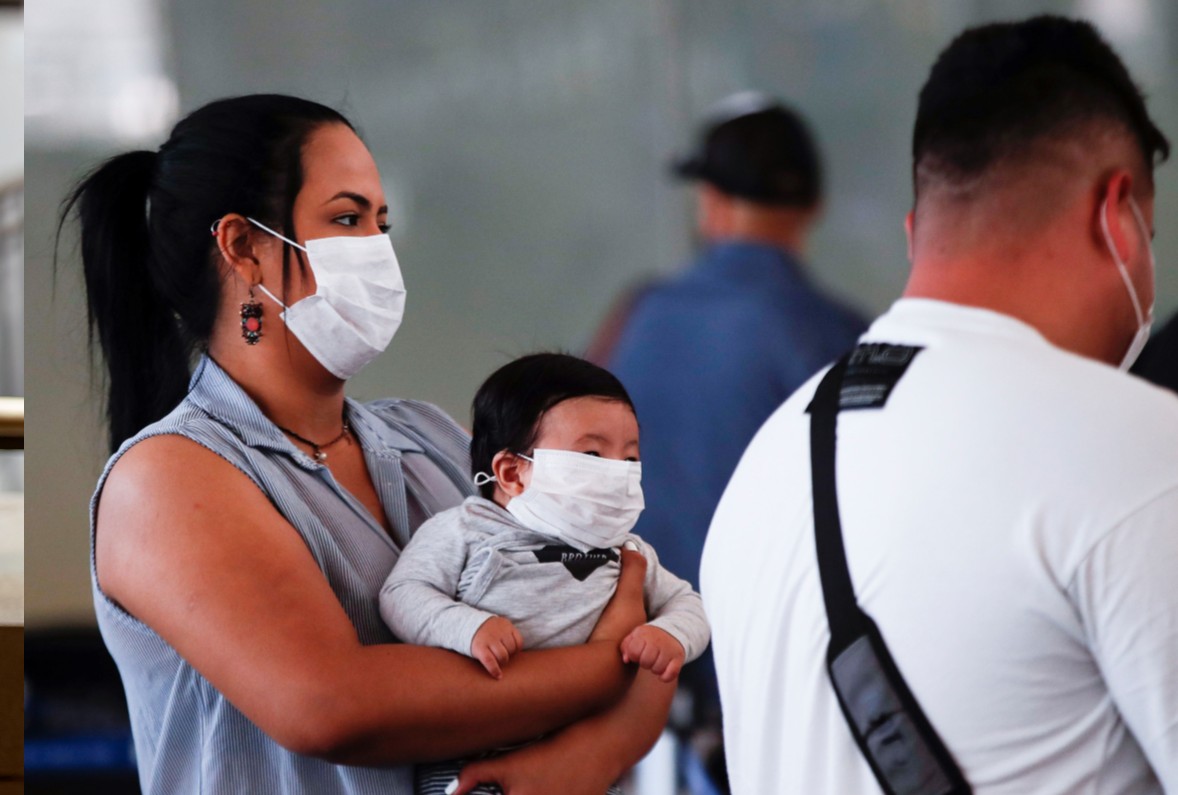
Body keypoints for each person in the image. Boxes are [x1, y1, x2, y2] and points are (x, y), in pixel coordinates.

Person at [63, 94, 675, 795]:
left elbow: (648, 609)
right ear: (243, 247)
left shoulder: (428, 436)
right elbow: (333, 705)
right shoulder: (169, 476)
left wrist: (593, 755)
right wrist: (607, 663)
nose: (378, 250)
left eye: (381, 222)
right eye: (347, 219)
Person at [702, 15, 1178, 794]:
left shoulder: (768, 462)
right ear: (1116, 216)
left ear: (918, 231)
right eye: (1151, 234)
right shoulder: (1139, 450)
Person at [599, 94, 867, 726]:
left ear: (712, 205)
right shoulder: (849, 339)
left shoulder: (635, 319)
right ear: (812, 208)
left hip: (642, 680)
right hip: (792, 686)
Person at [381, 352, 710, 795]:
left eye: (630, 459)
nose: (618, 472)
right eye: (592, 454)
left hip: (583, 762)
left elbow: (689, 603)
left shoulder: (629, 551)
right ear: (512, 472)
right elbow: (403, 592)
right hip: (471, 757)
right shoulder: (465, 530)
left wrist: (671, 635)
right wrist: (467, 627)